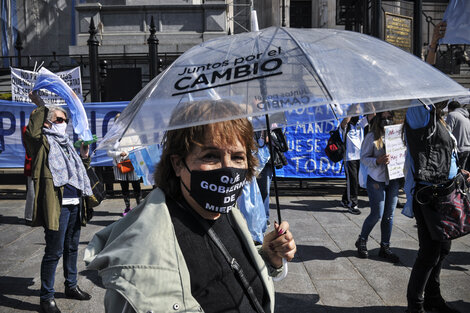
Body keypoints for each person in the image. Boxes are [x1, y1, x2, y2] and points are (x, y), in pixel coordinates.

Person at [84, 99, 297, 313]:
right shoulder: (142, 252)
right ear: (177, 163)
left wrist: (268, 258)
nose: (227, 168)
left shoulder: (229, 212)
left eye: (237, 157)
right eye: (210, 156)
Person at [24, 91, 93, 313]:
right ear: (48, 122)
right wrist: (40, 105)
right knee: (54, 251)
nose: (65, 124)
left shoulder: (67, 145)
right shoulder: (41, 143)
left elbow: (78, 172)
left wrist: (84, 157)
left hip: (75, 202)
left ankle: (71, 286)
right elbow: (33, 132)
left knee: (72, 247)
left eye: (66, 120)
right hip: (57, 205)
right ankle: (46, 298)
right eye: (60, 120)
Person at [403, 100, 465, 313]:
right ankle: (415, 305)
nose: (444, 100)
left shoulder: (438, 117)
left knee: (443, 248)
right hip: (430, 195)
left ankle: (432, 297)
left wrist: (457, 172)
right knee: (429, 252)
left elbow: (443, 154)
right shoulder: (418, 112)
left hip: (445, 191)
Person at [355, 111, 400, 263]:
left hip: (393, 179)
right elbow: (363, 158)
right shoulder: (371, 136)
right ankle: (362, 240)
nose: (386, 121)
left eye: (389, 118)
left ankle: (385, 247)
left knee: (389, 215)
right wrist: (377, 161)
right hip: (376, 179)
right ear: (378, 119)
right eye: (383, 118)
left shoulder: (397, 137)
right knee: (377, 214)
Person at [106, 113, 142, 216]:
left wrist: (130, 153)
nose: (121, 123)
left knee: (136, 185)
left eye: (123, 120)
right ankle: (127, 208)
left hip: (132, 163)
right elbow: (109, 152)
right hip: (119, 164)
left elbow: (139, 146)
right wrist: (119, 153)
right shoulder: (112, 136)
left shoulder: (133, 132)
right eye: (118, 121)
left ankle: (139, 207)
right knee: (124, 187)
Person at [340, 114, 369, 214]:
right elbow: (345, 122)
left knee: (355, 181)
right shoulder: (346, 126)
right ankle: (352, 204)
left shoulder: (360, 124)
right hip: (349, 158)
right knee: (353, 180)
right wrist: (352, 109)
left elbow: (372, 114)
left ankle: (344, 200)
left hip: (359, 157)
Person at [446, 100, 470, 171]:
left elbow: (447, 132)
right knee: (463, 173)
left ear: (450, 109)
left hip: (458, 150)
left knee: (455, 174)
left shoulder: (452, 115)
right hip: (467, 149)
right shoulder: (466, 118)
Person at [21, 125, 34, 223]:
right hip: (32, 165)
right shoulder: (28, 129)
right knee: (32, 192)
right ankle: (29, 217)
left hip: (46, 166)